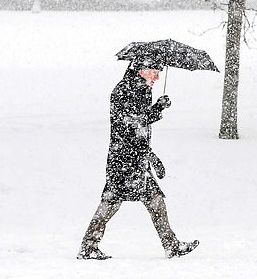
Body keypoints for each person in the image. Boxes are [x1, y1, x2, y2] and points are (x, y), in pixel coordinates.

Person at [78, 60, 199, 260]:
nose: (157, 77)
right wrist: (155, 110)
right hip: (123, 161)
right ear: (142, 71)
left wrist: (150, 152)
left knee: (154, 200)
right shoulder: (122, 91)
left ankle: (171, 245)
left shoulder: (142, 90)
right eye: (154, 72)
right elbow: (129, 125)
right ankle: (88, 246)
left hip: (137, 159)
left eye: (159, 72)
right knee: (111, 202)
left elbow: (140, 127)